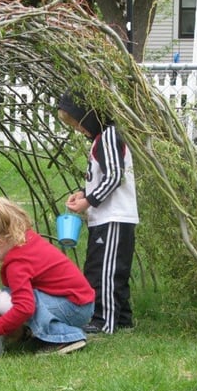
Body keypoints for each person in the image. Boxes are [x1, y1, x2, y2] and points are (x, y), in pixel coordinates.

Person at [0, 197, 95, 355]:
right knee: (2, 297)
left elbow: (24, 308)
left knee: (5, 301)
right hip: (79, 303)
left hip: (73, 308)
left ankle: (66, 336)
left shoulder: (17, 265)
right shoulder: (22, 239)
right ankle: (43, 331)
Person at [58, 91, 139, 334]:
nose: (79, 130)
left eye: (78, 123)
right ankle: (122, 318)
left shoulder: (109, 136)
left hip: (113, 217)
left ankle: (105, 319)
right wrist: (84, 193)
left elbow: (115, 176)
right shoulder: (102, 138)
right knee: (104, 266)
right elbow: (104, 176)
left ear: (89, 116)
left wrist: (89, 201)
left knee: (104, 270)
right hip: (105, 217)